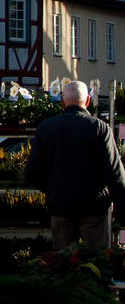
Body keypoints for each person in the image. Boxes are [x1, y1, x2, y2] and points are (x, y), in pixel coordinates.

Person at [25, 80, 125, 250]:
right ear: (87, 101)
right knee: (97, 264)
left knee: (64, 264)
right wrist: (122, 209)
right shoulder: (99, 128)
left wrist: (52, 189)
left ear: (62, 102)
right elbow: (114, 173)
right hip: (94, 209)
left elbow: (31, 172)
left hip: (61, 207)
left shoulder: (46, 128)